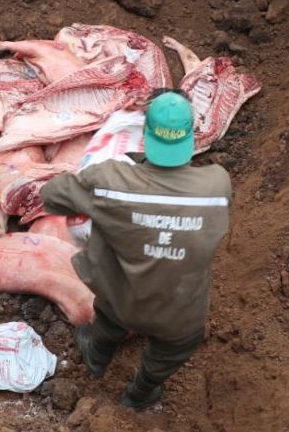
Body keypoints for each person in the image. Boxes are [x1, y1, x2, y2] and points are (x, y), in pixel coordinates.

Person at [40, 90, 231, 410]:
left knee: (109, 320)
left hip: (122, 300)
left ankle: (97, 356)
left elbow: (52, 197)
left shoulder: (110, 180)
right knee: (172, 350)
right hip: (181, 312)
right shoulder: (217, 184)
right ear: (189, 141)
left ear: (145, 136)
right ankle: (141, 393)